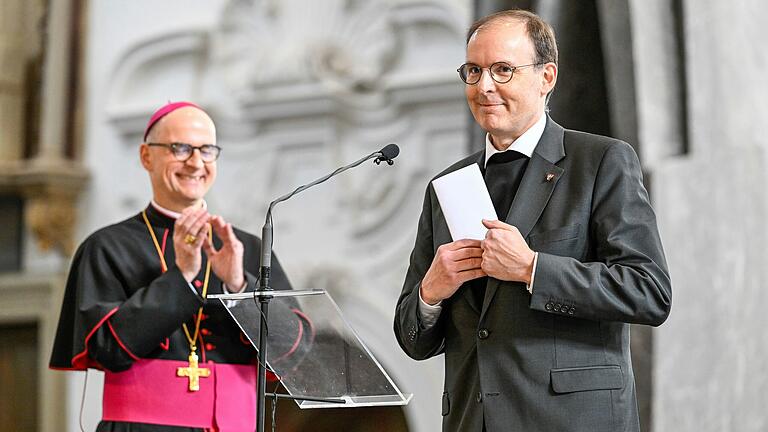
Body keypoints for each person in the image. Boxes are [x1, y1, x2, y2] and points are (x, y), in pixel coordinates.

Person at [394, 9, 672, 432]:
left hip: (571, 420)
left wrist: (531, 268)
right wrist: (431, 293)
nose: (485, 86)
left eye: (503, 70)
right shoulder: (446, 185)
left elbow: (648, 292)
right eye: (474, 71)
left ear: (547, 77)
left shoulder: (601, 161)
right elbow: (414, 341)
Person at [50, 102, 307, 431]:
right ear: (147, 157)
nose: (196, 162)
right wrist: (181, 276)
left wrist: (239, 285)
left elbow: (294, 353)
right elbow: (107, 351)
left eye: (207, 150)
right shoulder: (106, 248)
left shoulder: (247, 249)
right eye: (180, 148)